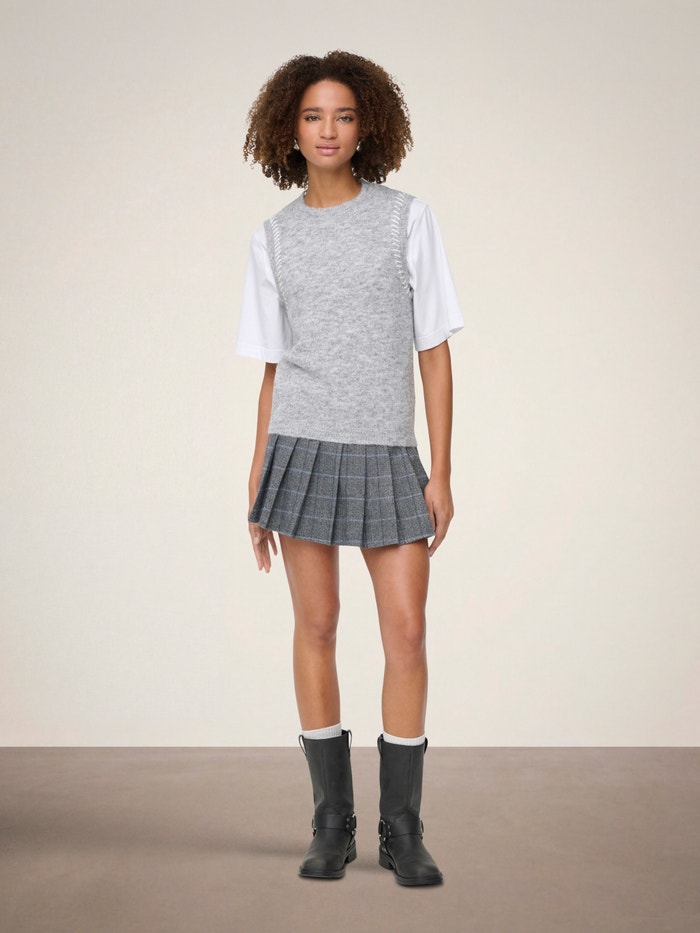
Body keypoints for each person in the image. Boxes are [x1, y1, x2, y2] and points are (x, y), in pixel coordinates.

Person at [236, 51, 463, 886]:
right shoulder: (273, 237)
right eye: (311, 116)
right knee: (319, 625)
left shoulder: (407, 220)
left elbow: (433, 352)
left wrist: (441, 472)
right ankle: (331, 823)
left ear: (367, 125)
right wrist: (258, 478)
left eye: (342, 115)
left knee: (407, 631)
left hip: (386, 452)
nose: (327, 130)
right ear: (289, 131)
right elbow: (273, 368)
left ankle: (403, 828)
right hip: (300, 447)